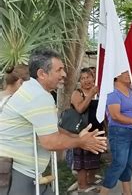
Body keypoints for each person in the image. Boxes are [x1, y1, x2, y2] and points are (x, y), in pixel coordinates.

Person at [0, 49, 107, 194]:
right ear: (42, 74)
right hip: (17, 172)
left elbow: (50, 130)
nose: (64, 74)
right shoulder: (38, 96)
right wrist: (81, 142)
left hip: (16, 169)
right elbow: (50, 141)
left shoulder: (31, 90)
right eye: (59, 70)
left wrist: (77, 137)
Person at [100, 71, 132, 195]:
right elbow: (115, 115)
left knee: (128, 163)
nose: (128, 74)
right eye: (124, 72)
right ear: (116, 74)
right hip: (120, 132)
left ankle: (127, 192)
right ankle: (103, 192)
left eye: (129, 72)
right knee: (119, 163)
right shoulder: (113, 92)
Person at [70, 68, 102, 192]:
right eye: (83, 78)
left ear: (93, 77)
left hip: (97, 130)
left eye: (88, 77)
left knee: (95, 158)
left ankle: (91, 180)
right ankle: (82, 185)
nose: (86, 80)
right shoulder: (77, 93)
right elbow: (80, 109)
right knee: (82, 161)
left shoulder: (98, 92)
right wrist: (90, 94)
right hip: (82, 132)